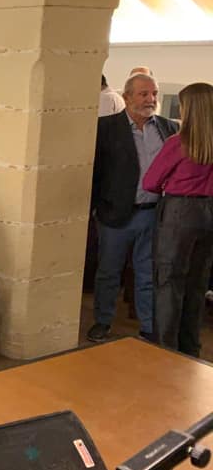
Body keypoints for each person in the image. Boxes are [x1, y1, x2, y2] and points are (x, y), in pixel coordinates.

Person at [89, 73, 178, 343]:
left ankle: (148, 328)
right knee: (108, 272)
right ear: (126, 97)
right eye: (143, 94)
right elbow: (95, 171)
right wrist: (95, 209)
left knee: (147, 273)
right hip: (115, 214)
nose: (151, 99)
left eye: (154, 93)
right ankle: (102, 322)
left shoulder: (167, 128)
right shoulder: (106, 128)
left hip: (153, 213)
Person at [143, 83, 213, 357]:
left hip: (179, 212)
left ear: (189, 109)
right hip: (209, 213)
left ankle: (165, 350)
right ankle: (190, 348)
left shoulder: (178, 143)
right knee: (197, 283)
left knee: (168, 282)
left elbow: (150, 181)